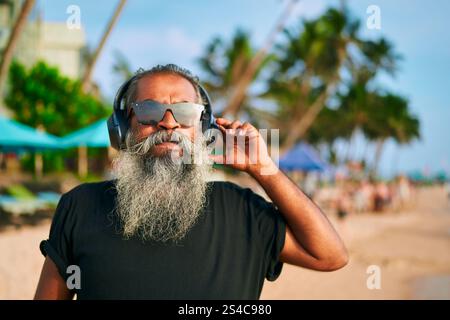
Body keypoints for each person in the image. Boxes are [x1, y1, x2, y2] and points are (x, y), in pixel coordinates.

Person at [34, 64, 348, 300]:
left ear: (202, 129)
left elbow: (330, 255)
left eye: (184, 113)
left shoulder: (243, 211)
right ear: (121, 127)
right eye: (149, 111)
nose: (168, 123)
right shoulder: (80, 206)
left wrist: (264, 169)